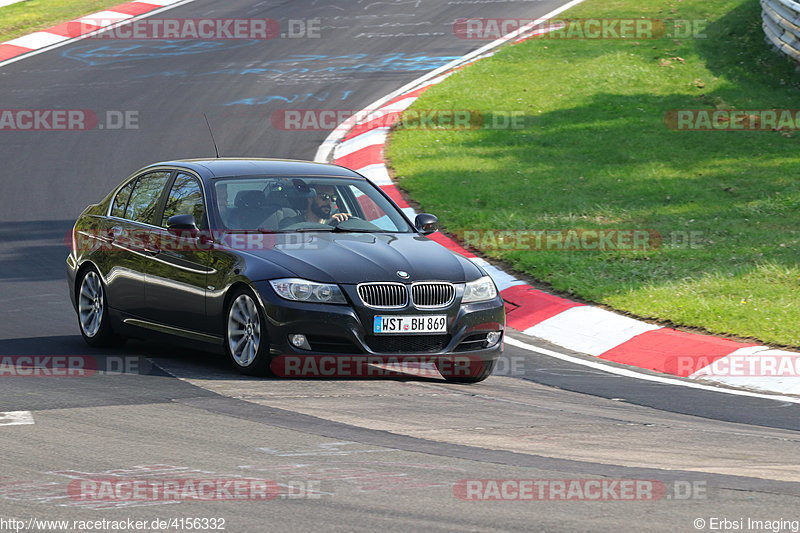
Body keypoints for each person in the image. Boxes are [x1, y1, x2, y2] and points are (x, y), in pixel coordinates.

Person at [281, 184, 351, 227]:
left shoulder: (336, 222)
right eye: (324, 196)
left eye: (333, 198)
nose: (329, 202)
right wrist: (326, 225)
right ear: (310, 198)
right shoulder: (291, 224)